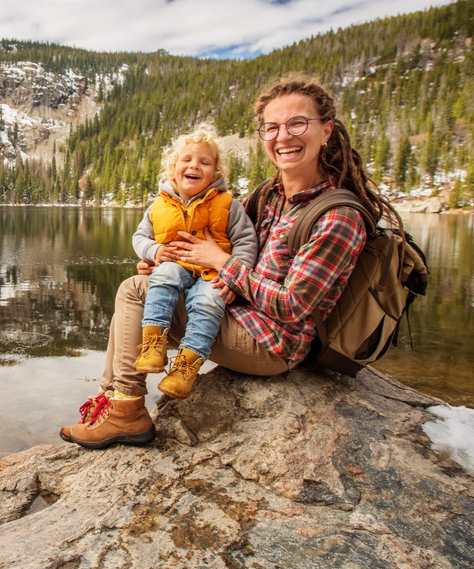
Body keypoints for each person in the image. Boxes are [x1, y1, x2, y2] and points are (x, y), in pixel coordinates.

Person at [60, 74, 398, 449]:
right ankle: (117, 402)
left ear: (326, 131)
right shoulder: (267, 196)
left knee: (134, 294)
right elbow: (226, 249)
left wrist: (220, 262)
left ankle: (124, 411)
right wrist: (171, 263)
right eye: (272, 127)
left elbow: (294, 306)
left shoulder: (337, 217)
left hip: (271, 342)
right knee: (148, 284)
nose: (283, 136)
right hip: (237, 312)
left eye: (297, 123)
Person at [131, 124, 258, 401]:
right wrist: (154, 251)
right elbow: (140, 237)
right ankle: (153, 344)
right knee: (163, 275)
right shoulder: (158, 206)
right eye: (186, 160)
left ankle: (186, 367)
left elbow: (247, 242)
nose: (194, 166)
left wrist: (234, 276)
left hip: (214, 271)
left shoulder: (228, 205)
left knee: (209, 302)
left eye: (205, 162)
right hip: (176, 266)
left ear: (216, 171)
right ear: (173, 167)